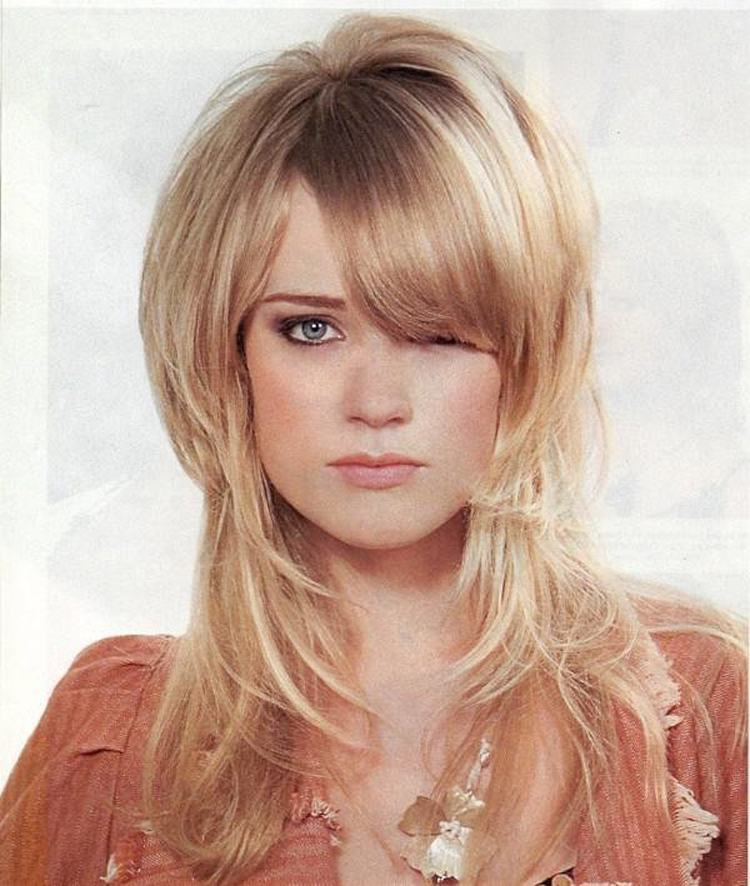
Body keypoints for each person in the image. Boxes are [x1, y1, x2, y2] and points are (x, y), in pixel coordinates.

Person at [0, 13, 745, 886]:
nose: (377, 404)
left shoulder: (699, 702)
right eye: (311, 329)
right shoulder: (112, 734)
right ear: (225, 352)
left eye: (436, 332)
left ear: (526, 353)